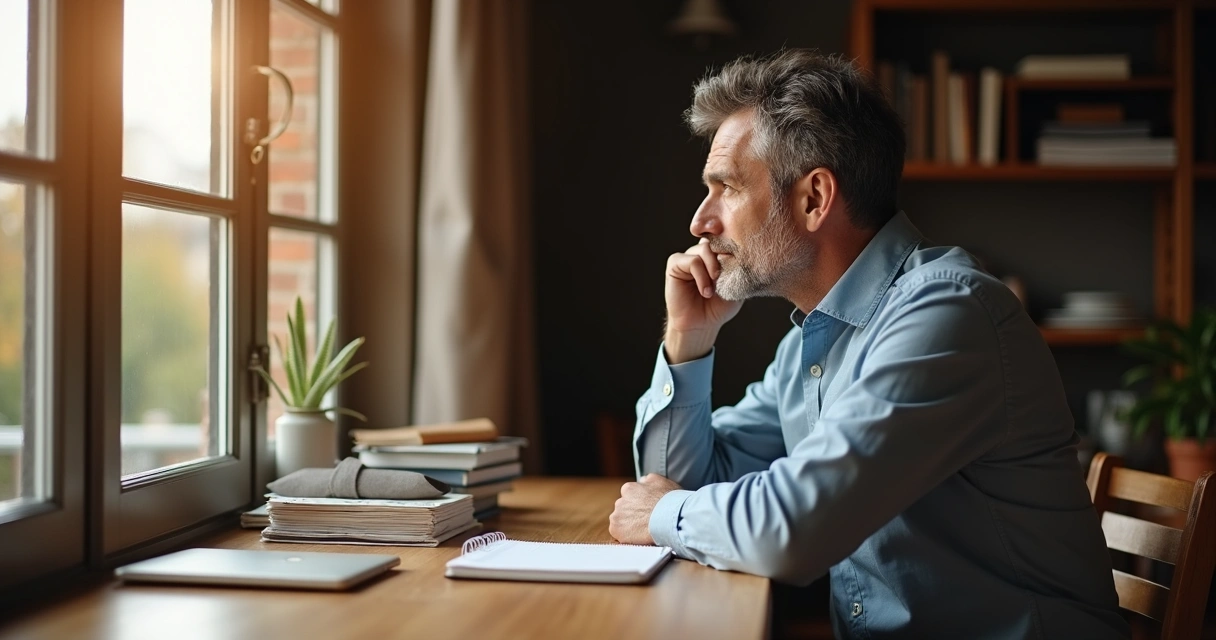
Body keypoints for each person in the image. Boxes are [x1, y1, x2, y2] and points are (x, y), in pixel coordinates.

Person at [607, 50, 1129, 639]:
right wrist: (689, 340)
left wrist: (665, 514)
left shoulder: (947, 315)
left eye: (725, 187)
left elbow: (790, 530)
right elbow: (679, 487)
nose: (701, 222)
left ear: (814, 198)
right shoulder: (816, 339)